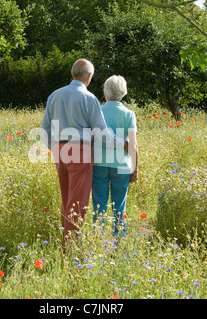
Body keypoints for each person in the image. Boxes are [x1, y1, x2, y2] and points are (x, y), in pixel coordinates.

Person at [40, 59, 128, 253]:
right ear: (89, 76)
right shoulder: (89, 99)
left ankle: (66, 243)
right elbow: (102, 134)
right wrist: (124, 143)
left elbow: (44, 129)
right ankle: (69, 250)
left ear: (73, 73)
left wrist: (54, 146)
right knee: (78, 202)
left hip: (60, 151)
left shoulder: (54, 95)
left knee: (67, 199)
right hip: (80, 151)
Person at [91, 75, 138, 239]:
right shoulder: (129, 114)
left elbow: (91, 139)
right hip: (122, 164)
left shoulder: (97, 111)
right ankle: (119, 241)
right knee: (120, 206)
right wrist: (135, 169)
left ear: (106, 91)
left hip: (99, 163)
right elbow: (133, 145)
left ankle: (97, 240)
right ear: (123, 92)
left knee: (99, 205)